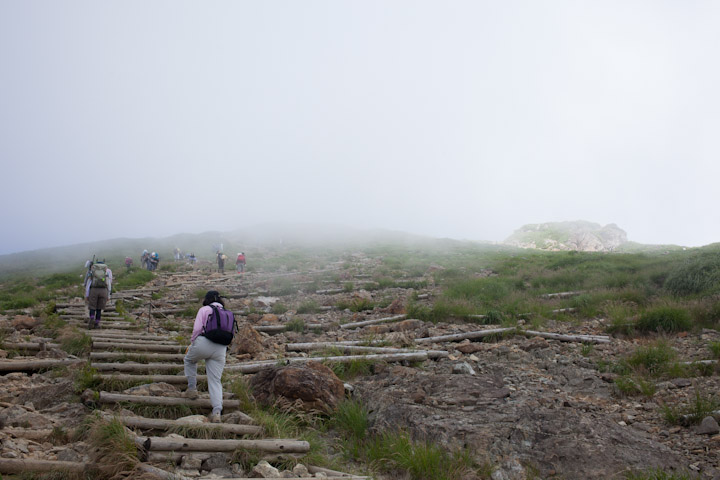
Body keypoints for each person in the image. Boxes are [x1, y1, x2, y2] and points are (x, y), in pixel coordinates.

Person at [184, 290, 231, 423]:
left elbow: (197, 329)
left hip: (204, 342)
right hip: (221, 347)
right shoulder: (226, 312)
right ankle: (217, 411)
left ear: (207, 299)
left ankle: (192, 389)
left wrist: (193, 343)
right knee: (215, 380)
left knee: (189, 360)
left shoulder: (204, 309)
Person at [84, 259, 112, 329]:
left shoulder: (93, 271)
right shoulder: (106, 272)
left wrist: (87, 295)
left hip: (93, 290)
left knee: (92, 307)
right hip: (103, 291)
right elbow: (109, 284)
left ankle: (92, 318)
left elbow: (88, 284)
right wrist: (108, 295)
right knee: (99, 308)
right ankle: (97, 323)